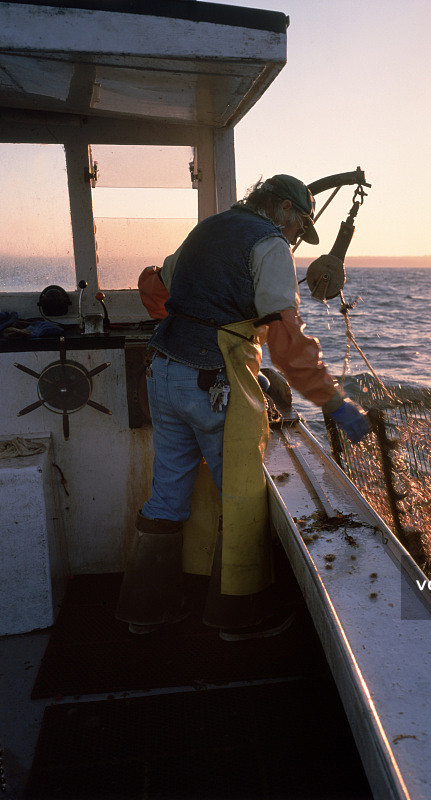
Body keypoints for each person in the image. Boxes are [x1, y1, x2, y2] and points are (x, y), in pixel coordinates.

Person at [116, 174, 370, 639]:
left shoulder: (208, 227)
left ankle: (147, 609)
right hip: (210, 381)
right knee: (241, 491)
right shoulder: (271, 245)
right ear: (283, 208)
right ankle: (238, 617)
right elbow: (287, 343)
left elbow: (155, 288)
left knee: (168, 491)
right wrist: (334, 402)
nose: (297, 235)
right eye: (300, 224)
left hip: (161, 370)